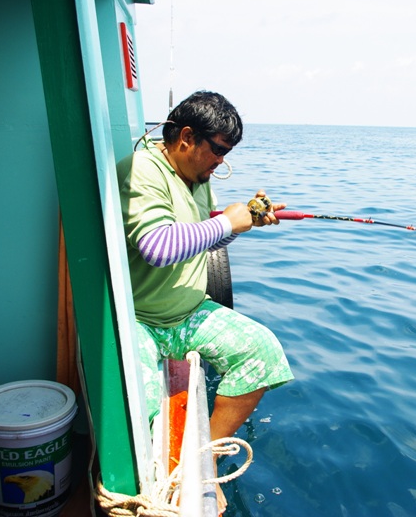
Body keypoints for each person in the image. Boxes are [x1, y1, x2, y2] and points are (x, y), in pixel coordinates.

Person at [116, 90, 294, 513]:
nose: (221, 162)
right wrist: (225, 222)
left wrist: (241, 222)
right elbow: (157, 246)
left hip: (190, 312)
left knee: (262, 352)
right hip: (139, 319)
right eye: (217, 150)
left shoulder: (197, 177)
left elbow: (202, 234)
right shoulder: (142, 169)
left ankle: (208, 453)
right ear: (186, 137)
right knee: (136, 422)